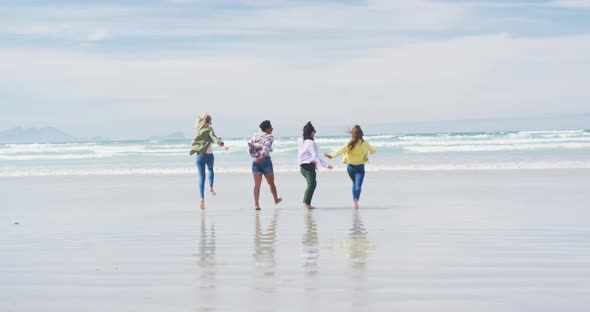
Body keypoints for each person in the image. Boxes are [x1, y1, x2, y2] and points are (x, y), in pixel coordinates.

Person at [324, 125, 375, 209]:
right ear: (361, 133)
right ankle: (356, 201)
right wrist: (371, 151)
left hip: (350, 168)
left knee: (354, 183)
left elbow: (341, 150)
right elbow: (372, 151)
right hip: (360, 168)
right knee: (358, 185)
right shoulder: (365, 143)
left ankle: (354, 201)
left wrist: (331, 156)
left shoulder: (349, 143)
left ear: (353, 134)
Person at [189, 113, 228, 210]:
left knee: (201, 177)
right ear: (207, 122)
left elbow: (204, 140)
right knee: (210, 170)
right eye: (210, 122)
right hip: (209, 155)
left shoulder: (197, 130)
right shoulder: (209, 129)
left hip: (199, 155)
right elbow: (213, 138)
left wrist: (214, 139)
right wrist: (222, 144)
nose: (211, 124)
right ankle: (211, 187)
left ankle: (202, 198)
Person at [298, 122, 332, 209]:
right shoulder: (311, 143)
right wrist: (326, 165)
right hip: (308, 167)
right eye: (314, 131)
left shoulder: (303, 142)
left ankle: (307, 203)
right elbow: (315, 157)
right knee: (312, 184)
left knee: (312, 183)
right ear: (311, 132)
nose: (315, 133)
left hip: (302, 167)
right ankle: (306, 203)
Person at [249, 120, 282, 210]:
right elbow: (266, 145)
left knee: (257, 185)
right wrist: (263, 155)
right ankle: (275, 199)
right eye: (271, 127)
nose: (272, 128)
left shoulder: (255, 134)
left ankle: (256, 204)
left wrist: (258, 156)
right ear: (267, 128)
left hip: (255, 161)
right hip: (265, 160)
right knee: (271, 183)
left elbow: (254, 145)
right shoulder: (270, 136)